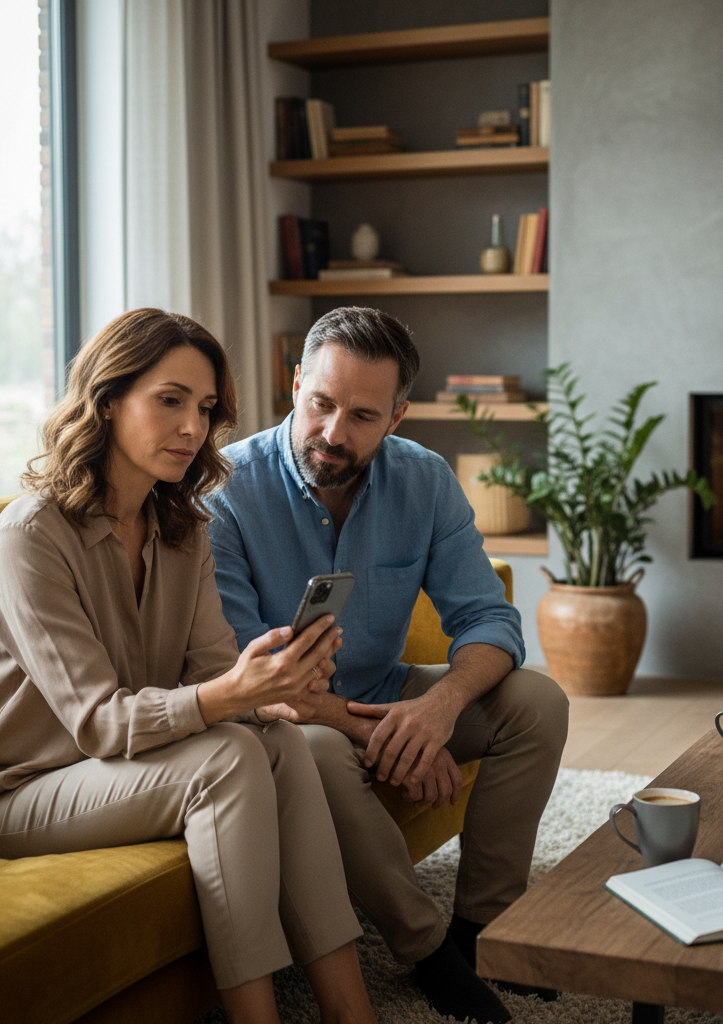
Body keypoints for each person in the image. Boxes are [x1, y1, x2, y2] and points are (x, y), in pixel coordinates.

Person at [0, 308, 377, 1024]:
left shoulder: (183, 530)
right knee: (229, 758)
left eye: (204, 409)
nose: (192, 428)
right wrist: (230, 693)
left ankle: (350, 1011)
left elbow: (210, 671)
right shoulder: (30, 537)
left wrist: (273, 686)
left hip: (116, 770)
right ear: (108, 400)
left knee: (276, 740)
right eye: (169, 400)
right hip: (7, 794)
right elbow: (97, 721)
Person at [207, 306, 570, 1024]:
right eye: (321, 404)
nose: (335, 433)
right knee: (313, 749)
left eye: (363, 415)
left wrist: (435, 711)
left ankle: (483, 928)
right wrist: (383, 735)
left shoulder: (425, 481)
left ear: (398, 416)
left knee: (538, 702)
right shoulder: (226, 492)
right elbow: (249, 676)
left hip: (386, 689)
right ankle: (429, 949)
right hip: (282, 722)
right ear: (295, 383)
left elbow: (490, 619)